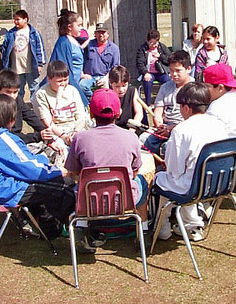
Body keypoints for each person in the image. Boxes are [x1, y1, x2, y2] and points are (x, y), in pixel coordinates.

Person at [0, 94, 75, 239]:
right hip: (10, 190)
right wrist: (57, 170)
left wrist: (43, 162)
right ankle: (53, 229)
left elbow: (22, 164)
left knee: (52, 183)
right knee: (66, 186)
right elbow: (32, 170)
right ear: (10, 119)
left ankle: (40, 219)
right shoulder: (3, 140)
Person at [65, 88, 150, 252]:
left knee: (78, 183)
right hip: (125, 200)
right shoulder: (131, 137)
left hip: (88, 201)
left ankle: (81, 228)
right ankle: (144, 231)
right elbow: (134, 172)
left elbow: (73, 172)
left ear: (91, 113)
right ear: (118, 112)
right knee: (142, 183)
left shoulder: (80, 138)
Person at [154, 82, 228, 241]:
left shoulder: (181, 130)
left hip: (193, 187)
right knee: (185, 177)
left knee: (160, 178)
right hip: (219, 183)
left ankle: (162, 227)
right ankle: (192, 224)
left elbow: (173, 170)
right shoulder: (221, 125)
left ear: (186, 108)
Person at [32, 60, 87, 167]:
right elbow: (48, 123)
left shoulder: (72, 90)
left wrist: (75, 132)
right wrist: (64, 137)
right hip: (56, 131)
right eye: (59, 81)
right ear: (49, 79)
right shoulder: (41, 94)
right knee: (61, 150)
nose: (63, 84)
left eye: (66, 80)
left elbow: (81, 117)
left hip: (74, 128)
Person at [143, 50, 194, 155]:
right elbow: (158, 111)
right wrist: (159, 125)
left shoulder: (195, 89)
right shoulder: (165, 87)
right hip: (164, 127)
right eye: (171, 70)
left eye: (178, 70)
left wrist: (170, 129)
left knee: (169, 147)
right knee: (143, 139)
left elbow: (193, 119)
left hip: (184, 129)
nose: (174, 74)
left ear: (188, 69)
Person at [0, 69, 49, 146]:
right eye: (8, 92)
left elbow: (30, 116)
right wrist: (38, 136)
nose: (12, 96)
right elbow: (7, 137)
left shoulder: (17, 100)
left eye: (15, 92)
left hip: (19, 139)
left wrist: (45, 132)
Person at [0, 10, 47, 99]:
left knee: (34, 88)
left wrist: (40, 64)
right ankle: (18, 107)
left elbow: (39, 49)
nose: (15, 22)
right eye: (14, 19)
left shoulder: (33, 33)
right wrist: (5, 63)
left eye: (18, 19)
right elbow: (5, 49)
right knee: (18, 90)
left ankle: (35, 106)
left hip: (30, 67)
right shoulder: (10, 33)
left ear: (25, 19)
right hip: (16, 68)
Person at [48, 9, 88, 106]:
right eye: (79, 25)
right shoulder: (63, 43)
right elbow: (63, 70)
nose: (81, 28)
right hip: (67, 85)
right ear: (69, 27)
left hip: (74, 84)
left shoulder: (73, 41)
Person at [80, 23, 120, 99]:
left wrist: (106, 77)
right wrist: (82, 74)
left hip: (106, 77)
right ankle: (93, 101)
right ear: (95, 34)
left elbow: (115, 67)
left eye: (103, 32)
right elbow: (79, 59)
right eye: (98, 32)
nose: (100, 35)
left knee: (108, 93)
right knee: (81, 86)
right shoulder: (88, 45)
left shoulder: (114, 48)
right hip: (90, 77)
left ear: (108, 34)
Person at [135, 29, 172, 106]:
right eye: (152, 43)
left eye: (156, 43)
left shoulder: (162, 47)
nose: (154, 45)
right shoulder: (143, 49)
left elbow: (170, 60)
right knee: (147, 81)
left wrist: (160, 56)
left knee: (168, 81)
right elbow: (140, 63)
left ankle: (167, 101)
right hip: (149, 72)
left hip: (161, 72)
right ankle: (148, 103)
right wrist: (145, 72)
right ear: (147, 41)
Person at [108, 65, 142, 132]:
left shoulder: (132, 91)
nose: (121, 89)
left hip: (130, 128)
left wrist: (132, 128)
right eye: (117, 86)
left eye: (124, 85)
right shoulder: (107, 94)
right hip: (113, 129)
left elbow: (139, 112)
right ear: (110, 83)